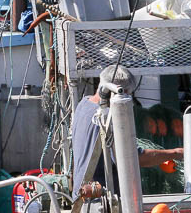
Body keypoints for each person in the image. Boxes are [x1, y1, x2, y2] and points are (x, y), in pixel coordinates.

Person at [71, 65, 182, 194]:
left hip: (81, 195)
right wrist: (175, 153)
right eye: (127, 96)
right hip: (101, 202)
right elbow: (134, 158)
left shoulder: (83, 104)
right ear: (115, 92)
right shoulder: (109, 119)